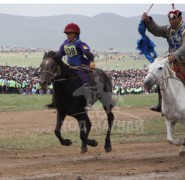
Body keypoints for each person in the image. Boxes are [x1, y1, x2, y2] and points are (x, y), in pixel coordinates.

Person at [142, 5, 185, 112]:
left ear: (180, 18)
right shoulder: (168, 29)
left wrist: (175, 55)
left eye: (174, 18)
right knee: (161, 77)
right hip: (171, 61)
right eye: (170, 19)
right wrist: (148, 21)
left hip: (183, 60)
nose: (172, 21)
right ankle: (161, 103)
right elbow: (156, 30)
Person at [47, 23, 95, 110]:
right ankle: (56, 101)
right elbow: (60, 54)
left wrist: (91, 62)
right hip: (69, 66)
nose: (68, 36)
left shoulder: (80, 44)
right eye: (67, 34)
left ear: (76, 34)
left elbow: (89, 54)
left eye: (70, 34)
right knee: (58, 80)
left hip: (81, 67)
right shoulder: (65, 43)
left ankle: (89, 101)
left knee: (84, 83)